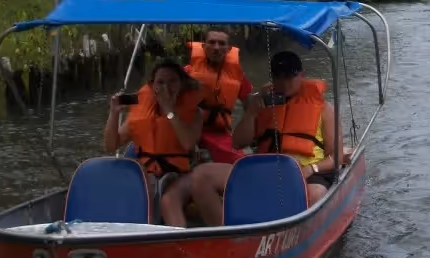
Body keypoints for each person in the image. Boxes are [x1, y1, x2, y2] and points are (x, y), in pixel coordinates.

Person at [185, 51, 342, 226]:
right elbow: (237, 143)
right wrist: (251, 114)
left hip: (306, 172)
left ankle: (299, 236)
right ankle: (225, 233)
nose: (284, 82)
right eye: (278, 76)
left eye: (290, 76)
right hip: (264, 172)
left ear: (302, 75)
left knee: (315, 194)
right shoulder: (261, 105)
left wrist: (311, 169)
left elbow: (337, 157)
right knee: (201, 176)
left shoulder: (324, 108)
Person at [104, 59, 207, 220]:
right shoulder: (141, 114)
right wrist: (114, 113)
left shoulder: (195, 113)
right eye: (160, 82)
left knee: (169, 201)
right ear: (153, 86)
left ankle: (178, 235)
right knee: (138, 193)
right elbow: (111, 145)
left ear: (182, 83)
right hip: (148, 174)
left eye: (172, 81)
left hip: (180, 175)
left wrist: (169, 110)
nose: (166, 87)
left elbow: (187, 143)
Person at [185, 29, 253, 164]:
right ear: (203, 46)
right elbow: (172, 107)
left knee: (241, 163)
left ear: (229, 49)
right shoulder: (186, 73)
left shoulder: (238, 76)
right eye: (211, 42)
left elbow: (250, 106)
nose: (216, 48)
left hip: (219, 133)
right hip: (188, 129)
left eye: (221, 43)